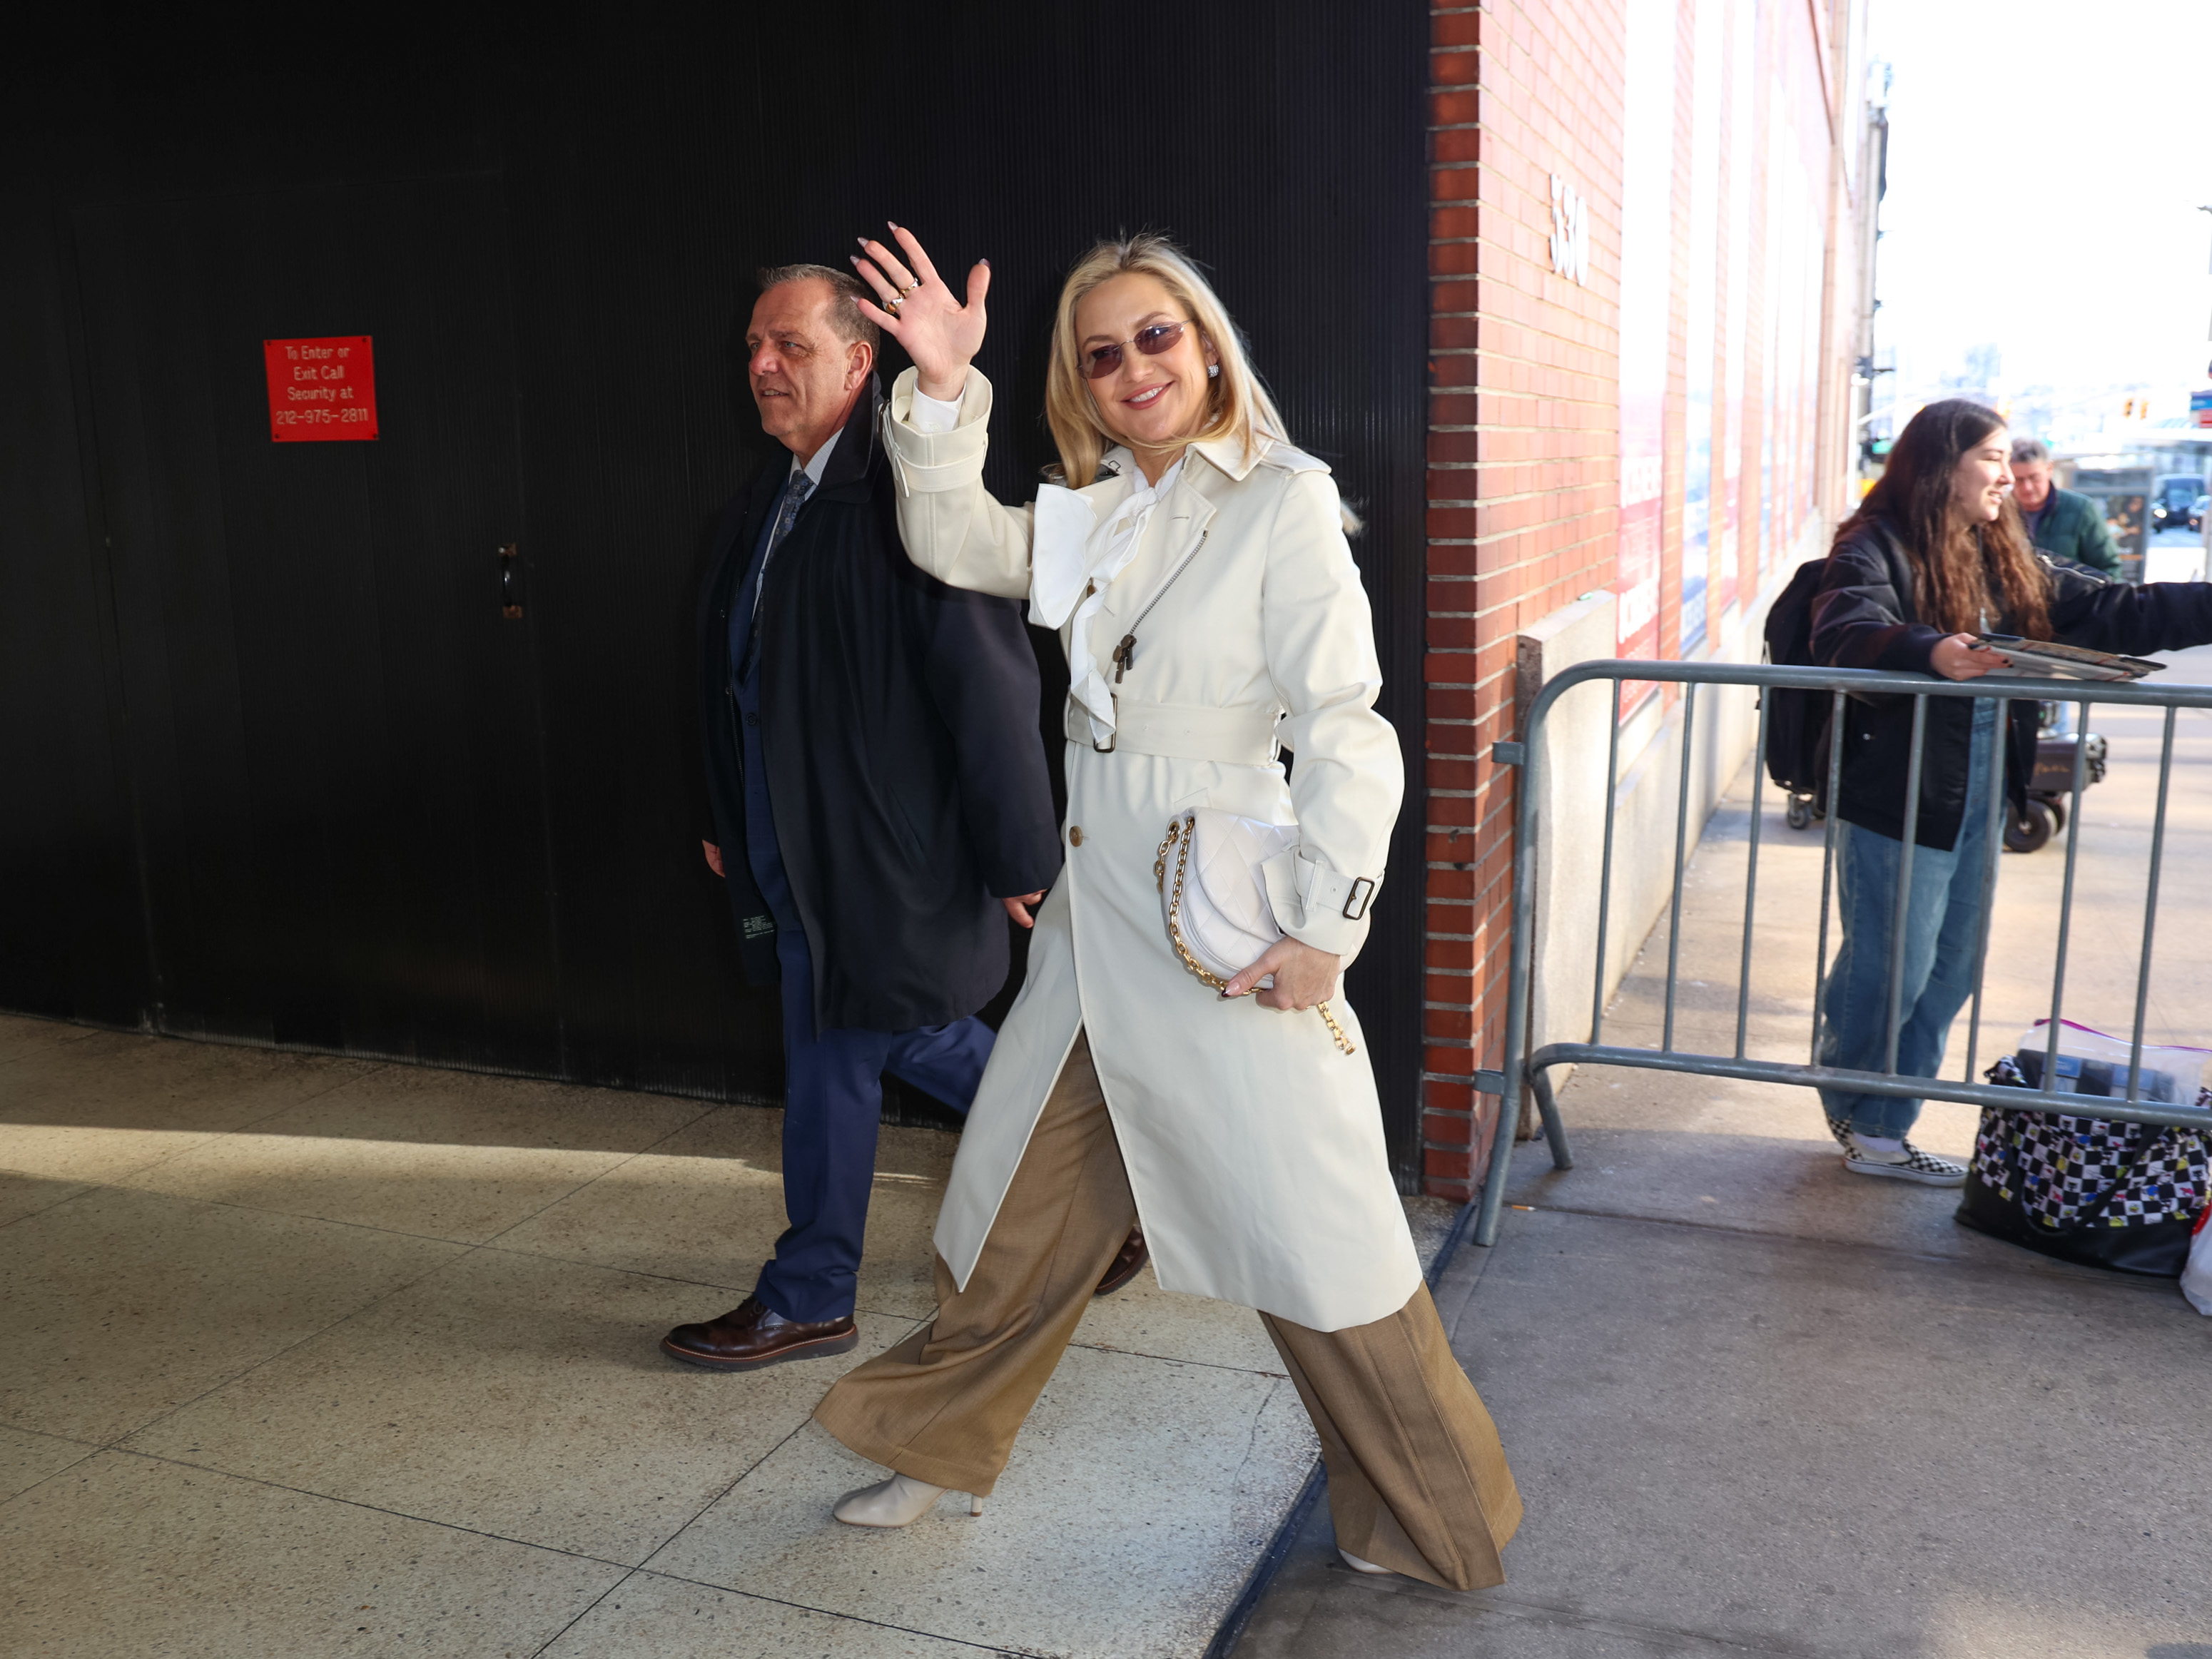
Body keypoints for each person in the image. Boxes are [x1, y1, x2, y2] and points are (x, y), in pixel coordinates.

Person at [802, 225, 1521, 1593]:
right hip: (1094, 945)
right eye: (1101, 352)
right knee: (1014, 1211)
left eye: (1156, 337)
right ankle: (938, 1447)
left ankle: (1435, 1516)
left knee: (1322, 1245)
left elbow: (1348, 726)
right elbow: (954, 537)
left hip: (1225, 935)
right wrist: (948, 390)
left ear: (1206, 347)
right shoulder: (1095, 508)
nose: (1133, 367)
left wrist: (1329, 927)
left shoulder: (1282, 498)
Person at [669, 264, 1140, 1376]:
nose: (762, 367)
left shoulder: (904, 496)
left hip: (881, 846)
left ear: (857, 358)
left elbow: (988, 682)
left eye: (787, 344)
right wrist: (721, 809)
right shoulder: (770, 495)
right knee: (893, 1032)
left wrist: (1020, 847)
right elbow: (723, 667)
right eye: (752, 347)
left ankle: (812, 1290)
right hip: (790, 834)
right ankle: (1108, 1186)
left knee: (834, 1037)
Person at [1810, 400, 2212, 1182]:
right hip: (1900, 789)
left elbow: (2111, 609)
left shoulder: (2000, 550)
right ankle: (1863, 1116)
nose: (2009, 477)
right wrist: (1930, 652)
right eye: (1992, 459)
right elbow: (1842, 628)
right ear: (1941, 465)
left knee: (1949, 965)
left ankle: (1882, 1120)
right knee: (1890, 964)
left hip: (1980, 786)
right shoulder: (1874, 543)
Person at [2009, 437, 2121, 577]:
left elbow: (2109, 568)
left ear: (2049, 468)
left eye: (2034, 478)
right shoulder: (1999, 512)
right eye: (2018, 480)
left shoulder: (2081, 510)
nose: (2027, 488)